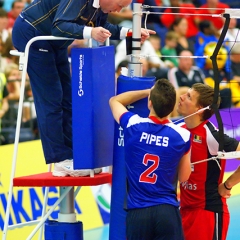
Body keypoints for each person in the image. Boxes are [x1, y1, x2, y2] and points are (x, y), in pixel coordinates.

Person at [11, 0, 154, 177]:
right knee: (52, 99)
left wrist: (129, 32)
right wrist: (90, 32)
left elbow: (101, 27)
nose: (119, 10)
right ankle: (61, 160)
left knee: (67, 99)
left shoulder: (100, 6)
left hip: (54, 41)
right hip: (32, 33)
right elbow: (60, 26)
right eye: (119, 5)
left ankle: (73, 157)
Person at [109, 79, 191, 240]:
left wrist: (148, 92)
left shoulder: (133, 124)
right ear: (172, 106)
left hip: (138, 213)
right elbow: (184, 177)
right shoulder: (182, 135)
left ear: (150, 103)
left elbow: (114, 100)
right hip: (166, 211)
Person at [177, 83, 240, 240]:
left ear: (200, 109)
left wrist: (227, 184)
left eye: (189, 97)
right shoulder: (180, 130)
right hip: (184, 211)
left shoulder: (211, 135)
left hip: (208, 212)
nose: (182, 96)